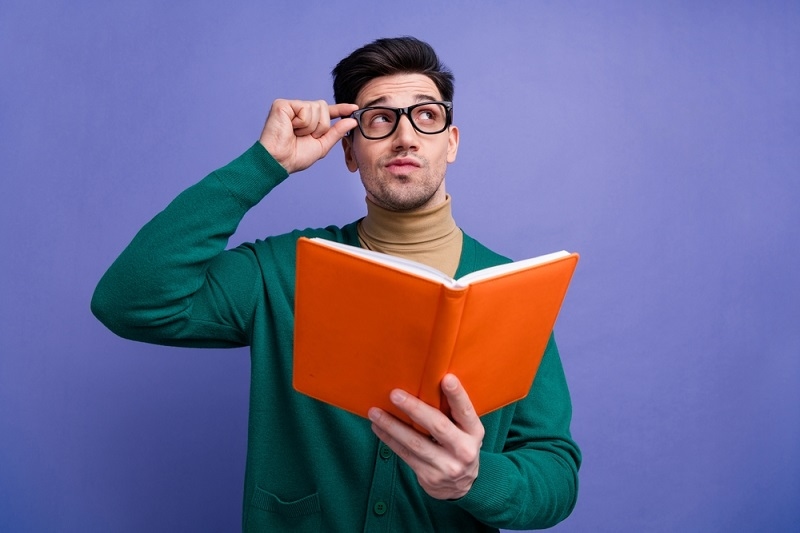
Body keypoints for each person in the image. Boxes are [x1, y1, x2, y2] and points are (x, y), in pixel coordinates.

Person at [91, 36, 580, 532]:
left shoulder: (511, 291)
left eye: (426, 116)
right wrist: (264, 164)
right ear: (349, 149)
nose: (405, 137)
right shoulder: (284, 269)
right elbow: (128, 300)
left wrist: (475, 479)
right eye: (380, 119)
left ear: (450, 142)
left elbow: (556, 475)